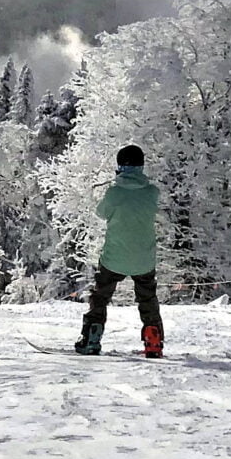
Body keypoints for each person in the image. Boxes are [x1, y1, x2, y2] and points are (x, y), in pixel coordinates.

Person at [76, 143, 164, 357]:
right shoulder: (152, 192)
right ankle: (153, 340)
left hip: (114, 257)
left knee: (100, 295)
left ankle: (92, 337)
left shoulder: (114, 193)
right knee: (147, 298)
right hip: (144, 258)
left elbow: (101, 213)